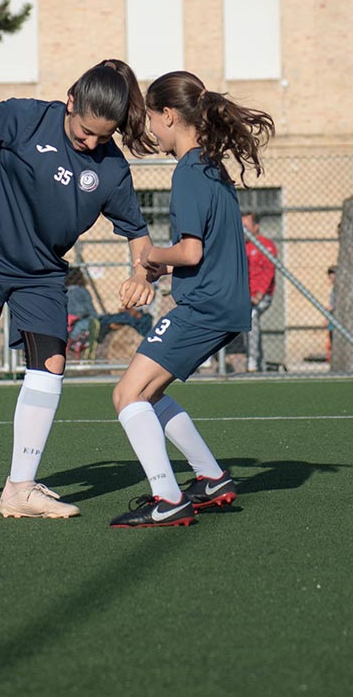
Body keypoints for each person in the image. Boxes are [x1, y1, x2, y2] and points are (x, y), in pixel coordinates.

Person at [0, 60, 158, 520]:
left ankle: (18, 489)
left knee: (52, 363)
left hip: (39, 272)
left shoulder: (112, 170)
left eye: (104, 137)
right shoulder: (26, 117)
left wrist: (142, 274)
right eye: (84, 133)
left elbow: (138, 235)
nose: (92, 144)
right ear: (70, 102)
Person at [108, 71, 275, 528]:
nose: (151, 131)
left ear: (169, 115)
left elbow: (191, 250)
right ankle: (212, 477)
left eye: (153, 120)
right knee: (152, 391)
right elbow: (202, 252)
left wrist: (147, 256)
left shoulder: (187, 171)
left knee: (127, 394)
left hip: (205, 305)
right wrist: (168, 264)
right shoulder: (210, 166)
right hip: (222, 303)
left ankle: (168, 497)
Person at [224, 211, 276, 374]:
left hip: (261, 296)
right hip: (241, 296)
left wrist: (259, 293)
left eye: (245, 227)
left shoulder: (266, 245)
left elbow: (268, 272)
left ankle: (253, 361)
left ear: (256, 227)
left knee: (252, 316)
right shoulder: (239, 247)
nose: (242, 231)